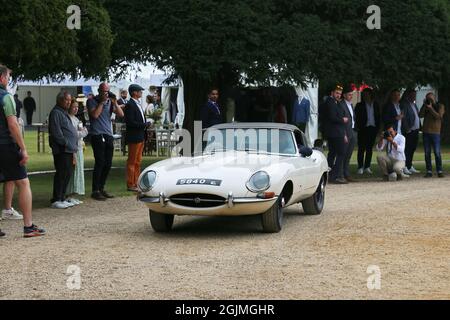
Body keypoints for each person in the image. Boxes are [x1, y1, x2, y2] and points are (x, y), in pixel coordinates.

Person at [0, 64, 45, 237]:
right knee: (23, 183)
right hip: (6, 145)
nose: (9, 80)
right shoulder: (6, 97)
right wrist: (23, 148)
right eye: (8, 77)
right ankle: (28, 226)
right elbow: (12, 124)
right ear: (2, 78)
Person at [87, 83, 124, 200]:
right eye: (103, 91)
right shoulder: (92, 101)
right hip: (97, 134)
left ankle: (102, 187)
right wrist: (102, 102)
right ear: (99, 91)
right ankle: (95, 190)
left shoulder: (110, 102)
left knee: (108, 163)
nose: (105, 94)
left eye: (107, 91)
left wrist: (115, 103)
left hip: (108, 135)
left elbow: (121, 114)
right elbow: (95, 115)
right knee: (100, 162)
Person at [48, 92, 79, 209]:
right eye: (67, 100)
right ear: (60, 100)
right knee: (61, 173)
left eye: (70, 100)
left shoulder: (63, 112)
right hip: (62, 149)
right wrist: (66, 143)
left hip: (69, 149)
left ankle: (62, 197)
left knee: (67, 174)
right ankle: (56, 199)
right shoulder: (56, 113)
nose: (69, 102)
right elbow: (57, 133)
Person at [322, 84, 349, 184]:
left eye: (340, 94)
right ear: (332, 93)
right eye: (337, 93)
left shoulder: (335, 103)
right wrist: (343, 119)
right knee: (341, 153)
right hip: (334, 133)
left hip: (337, 132)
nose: (338, 95)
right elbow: (332, 117)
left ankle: (330, 174)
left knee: (332, 153)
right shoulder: (330, 103)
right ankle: (335, 175)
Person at [124, 84, 148, 192]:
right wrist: (144, 125)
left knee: (138, 161)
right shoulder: (130, 105)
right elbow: (130, 122)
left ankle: (137, 182)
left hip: (140, 136)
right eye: (139, 91)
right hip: (134, 136)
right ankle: (130, 183)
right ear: (134, 92)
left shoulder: (137, 104)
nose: (141, 92)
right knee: (132, 161)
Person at [355, 88, 381, 175]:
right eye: (364, 94)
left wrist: (378, 129)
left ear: (370, 94)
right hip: (363, 128)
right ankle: (360, 167)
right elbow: (357, 117)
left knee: (369, 149)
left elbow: (378, 116)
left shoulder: (375, 105)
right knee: (361, 148)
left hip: (372, 128)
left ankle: (367, 166)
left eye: (367, 94)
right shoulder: (360, 105)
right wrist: (358, 126)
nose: (365, 96)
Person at [419, 92, 445, 178]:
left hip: (436, 132)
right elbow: (420, 115)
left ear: (434, 98)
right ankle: (429, 171)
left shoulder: (440, 106)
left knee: (437, 152)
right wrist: (424, 105)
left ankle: (439, 171)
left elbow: (439, 116)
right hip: (426, 132)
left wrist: (431, 108)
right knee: (427, 153)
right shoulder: (426, 106)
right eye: (427, 98)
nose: (429, 100)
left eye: (430, 98)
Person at [67, 99, 88, 201]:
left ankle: (74, 193)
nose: (76, 109)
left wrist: (83, 132)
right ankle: (69, 193)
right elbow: (74, 135)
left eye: (77, 107)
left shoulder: (76, 119)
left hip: (79, 147)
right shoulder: (68, 119)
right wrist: (83, 132)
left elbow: (80, 132)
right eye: (73, 107)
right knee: (73, 171)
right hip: (73, 147)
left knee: (78, 170)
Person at [400, 88, 421, 175]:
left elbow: (417, 115)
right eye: (413, 95)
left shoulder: (414, 104)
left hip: (415, 130)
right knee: (407, 149)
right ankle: (404, 166)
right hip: (409, 130)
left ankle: (409, 165)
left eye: (415, 95)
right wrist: (407, 128)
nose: (414, 97)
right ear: (408, 95)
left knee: (412, 148)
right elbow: (403, 117)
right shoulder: (404, 104)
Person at [339, 85, 356, 182]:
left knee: (349, 154)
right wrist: (343, 134)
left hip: (352, 131)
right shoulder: (341, 105)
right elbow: (341, 121)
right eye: (349, 95)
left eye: (351, 95)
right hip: (345, 132)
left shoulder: (351, 105)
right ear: (344, 95)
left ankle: (346, 173)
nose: (351, 96)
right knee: (343, 154)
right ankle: (340, 174)